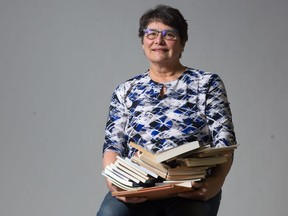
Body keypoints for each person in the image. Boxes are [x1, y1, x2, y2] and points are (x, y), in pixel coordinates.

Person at [97, 4, 237, 216]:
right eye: (151, 33)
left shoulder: (207, 83)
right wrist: (114, 183)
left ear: (182, 43)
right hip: (139, 184)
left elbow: (225, 142)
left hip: (190, 185)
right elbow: (112, 146)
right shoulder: (126, 90)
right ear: (143, 42)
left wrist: (216, 183)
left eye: (168, 34)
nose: (158, 41)